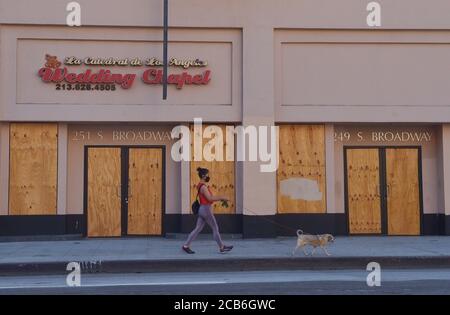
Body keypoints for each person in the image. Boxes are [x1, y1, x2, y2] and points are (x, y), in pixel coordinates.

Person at [182, 167, 233, 254]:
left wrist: (220, 198)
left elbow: (208, 198)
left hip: (202, 209)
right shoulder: (203, 187)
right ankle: (222, 247)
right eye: (207, 175)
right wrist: (221, 197)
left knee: (197, 229)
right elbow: (209, 198)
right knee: (215, 228)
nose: (209, 176)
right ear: (203, 176)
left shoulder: (200, 185)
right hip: (206, 209)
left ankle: (186, 246)